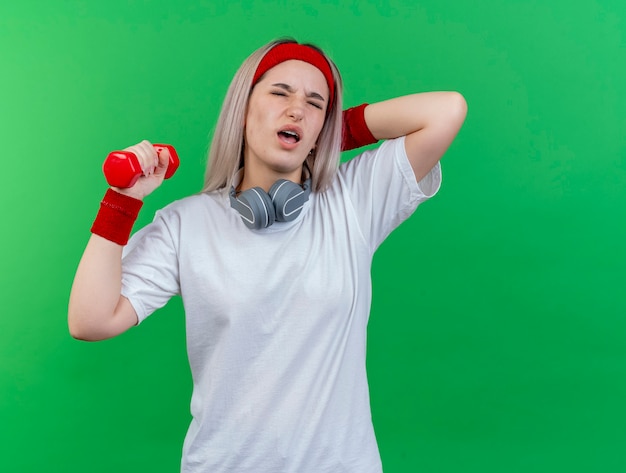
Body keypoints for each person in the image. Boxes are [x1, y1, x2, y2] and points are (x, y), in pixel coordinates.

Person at [68, 38, 467, 473]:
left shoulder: (353, 201)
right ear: (242, 109)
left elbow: (446, 110)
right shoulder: (187, 224)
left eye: (316, 104)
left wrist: (331, 134)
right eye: (280, 93)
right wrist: (121, 200)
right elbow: (91, 320)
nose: (297, 109)